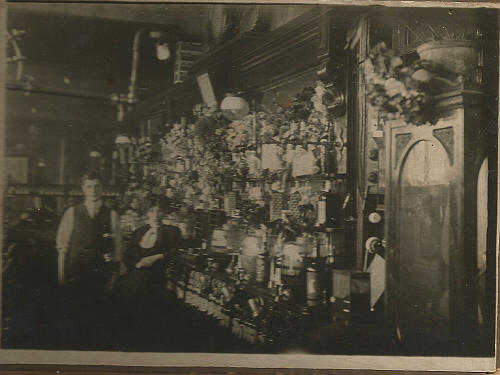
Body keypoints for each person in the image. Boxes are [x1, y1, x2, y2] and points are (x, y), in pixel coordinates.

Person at [55, 171, 123, 349]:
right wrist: (62, 276)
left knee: (98, 317)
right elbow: (63, 248)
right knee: (74, 314)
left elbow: (117, 250)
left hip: (100, 272)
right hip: (75, 269)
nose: (93, 190)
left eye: (97, 186)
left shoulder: (112, 215)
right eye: (89, 186)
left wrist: (113, 276)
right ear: (83, 189)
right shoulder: (72, 213)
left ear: (103, 189)